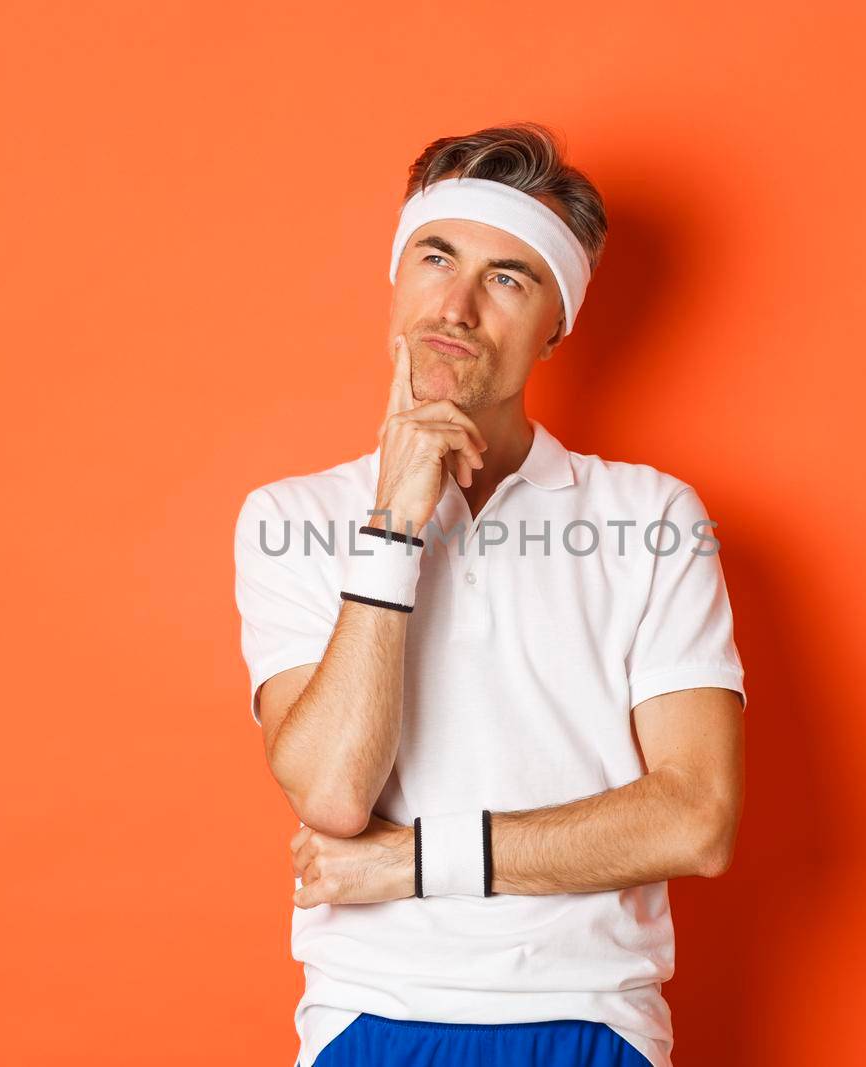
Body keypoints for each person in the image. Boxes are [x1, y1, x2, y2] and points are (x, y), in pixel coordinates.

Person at [233, 122, 746, 1067]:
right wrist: (393, 523)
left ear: (557, 324)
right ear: (396, 278)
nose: (457, 307)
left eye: (508, 277)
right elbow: (334, 794)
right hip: (368, 1018)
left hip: (592, 1017)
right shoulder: (291, 516)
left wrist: (415, 860)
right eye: (436, 256)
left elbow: (696, 817)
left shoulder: (650, 514)